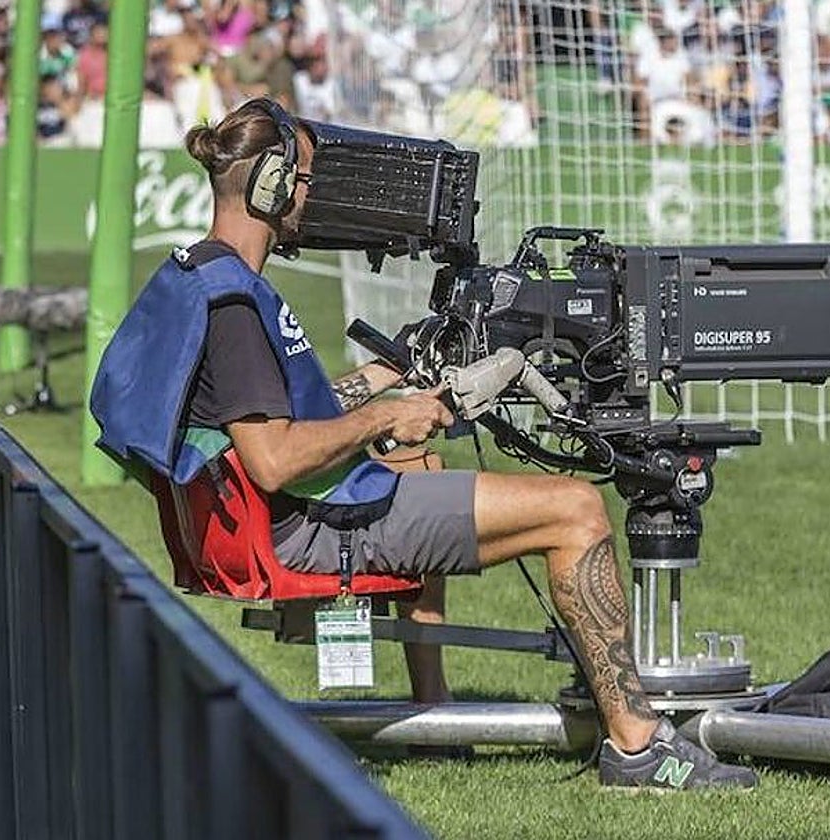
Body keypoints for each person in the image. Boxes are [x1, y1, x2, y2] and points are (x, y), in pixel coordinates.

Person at [91, 99, 758, 791]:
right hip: (314, 533)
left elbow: (279, 417)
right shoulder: (236, 307)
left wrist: (385, 377)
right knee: (576, 508)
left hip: (294, 517)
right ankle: (638, 745)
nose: (308, 198)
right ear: (273, 182)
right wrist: (387, 418)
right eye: (307, 181)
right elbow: (275, 458)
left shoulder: (202, 275)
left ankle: (433, 717)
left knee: (424, 461)